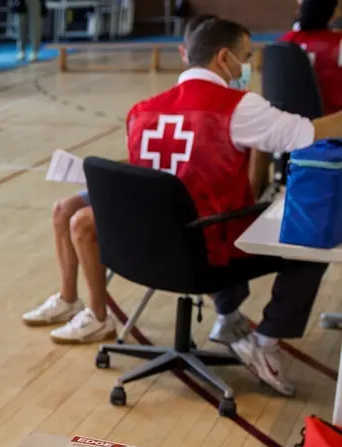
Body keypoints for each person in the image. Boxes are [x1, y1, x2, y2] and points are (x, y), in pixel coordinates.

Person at [125, 17, 342, 395]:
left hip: (147, 250)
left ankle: (228, 316)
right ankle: (267, 340)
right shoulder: (237, 106)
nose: (247, 67)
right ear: (223, 58)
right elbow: (309, 133)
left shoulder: (141, 110)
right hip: (209, 250)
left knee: (209, 212)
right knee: (311, 244)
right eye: (245, 57)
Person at [22, 14, 218, 345]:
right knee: (63, 208)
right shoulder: (164, 103)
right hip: (151, 180)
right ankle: (69, 299)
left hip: (172, 196)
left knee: (84, 222)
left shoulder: (215, 105)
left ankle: (100, 316)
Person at [280, 0, 342, 115]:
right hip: (333, 121)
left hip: (295, 121)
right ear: (332, 14)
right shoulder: (338, 42)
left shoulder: (286, 40)